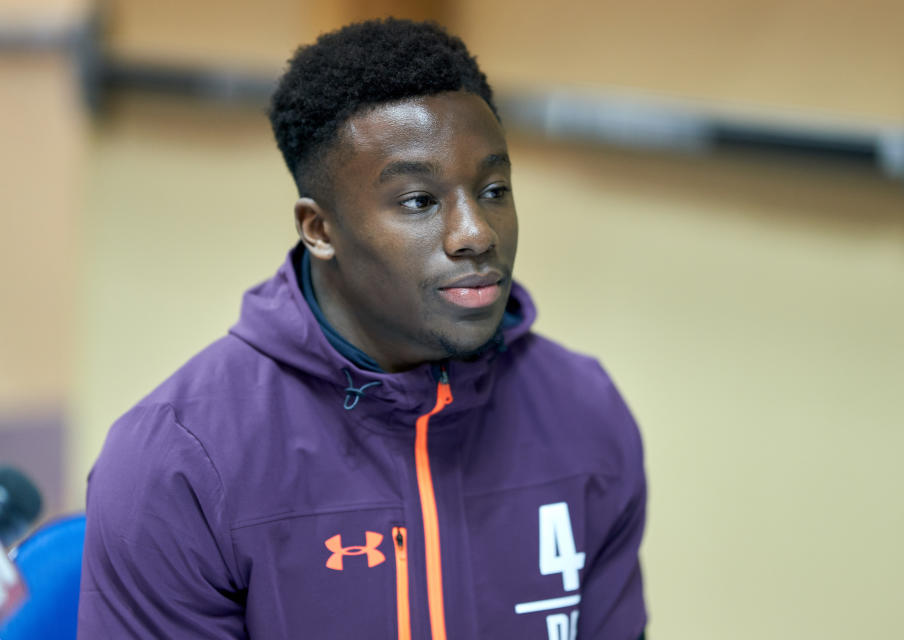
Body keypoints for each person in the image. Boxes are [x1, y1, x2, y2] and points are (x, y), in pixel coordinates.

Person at [78, 18, 647, 640]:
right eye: (419, 201)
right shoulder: (179, 462)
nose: (475, 233)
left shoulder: (585, 413)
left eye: (493, 189)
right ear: (319, 230)